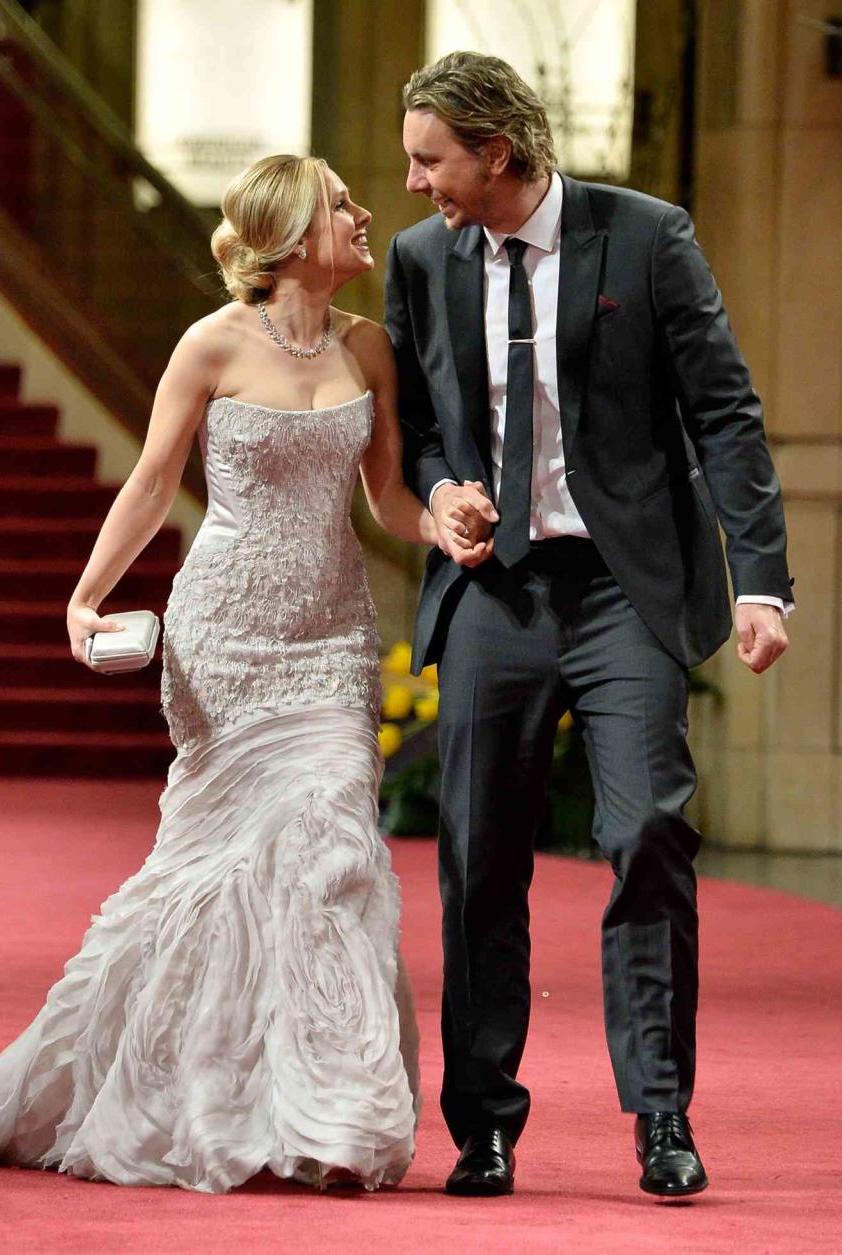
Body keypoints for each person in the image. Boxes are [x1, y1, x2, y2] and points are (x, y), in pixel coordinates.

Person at [0, 154, 484, 1193]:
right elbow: (153, 477)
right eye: (342, 205)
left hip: (330, 638)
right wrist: (86, 594)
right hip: (224, 636)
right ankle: (191, 1092)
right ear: (294, 234)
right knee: (209, 875)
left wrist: (445, 526)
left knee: (332, 854)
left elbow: (387, 496)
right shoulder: (209, 344)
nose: (363, 217)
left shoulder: (370, 349)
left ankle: (330, 1113)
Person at [384, 51, 792, 1200]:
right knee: (477, 854)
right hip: (494, 592)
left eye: (432, 160)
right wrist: (441, 490)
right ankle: (485, 1126)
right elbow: (414, 424)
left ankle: (662, 1111)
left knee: (648, 832)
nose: (414, 184)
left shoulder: (647, 236)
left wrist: (762, 581)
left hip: (624, 588)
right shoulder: (423, 263)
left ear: (496, 153)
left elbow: (724, 411)